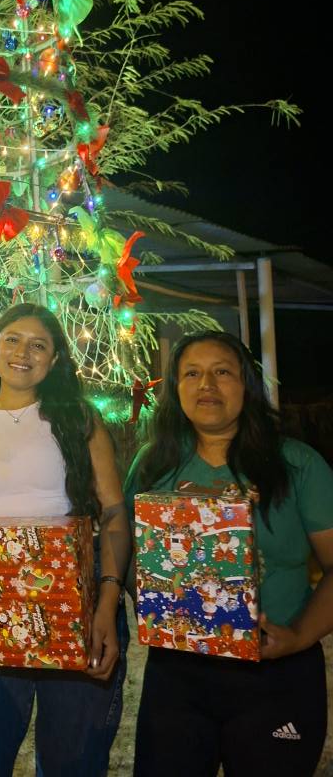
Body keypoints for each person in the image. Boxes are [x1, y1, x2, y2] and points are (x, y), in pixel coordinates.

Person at [124, 331, 333, 777]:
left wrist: (297, 637)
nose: (206, 385)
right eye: (192, 374)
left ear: (246, 385)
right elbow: (127, 553)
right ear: (175, 388)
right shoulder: (152, 464)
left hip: (275, 673)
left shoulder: (297, 464)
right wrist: (156, 608)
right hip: (177, 675)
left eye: (222, 372)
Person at [0, 303, 131, 777]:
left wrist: (106, 605)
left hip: (76, 603)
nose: (23, 352)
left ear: (55, 359)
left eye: (38, 345)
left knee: (72, 762)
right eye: (12, 339)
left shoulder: (78, 419)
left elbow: (113, 513)